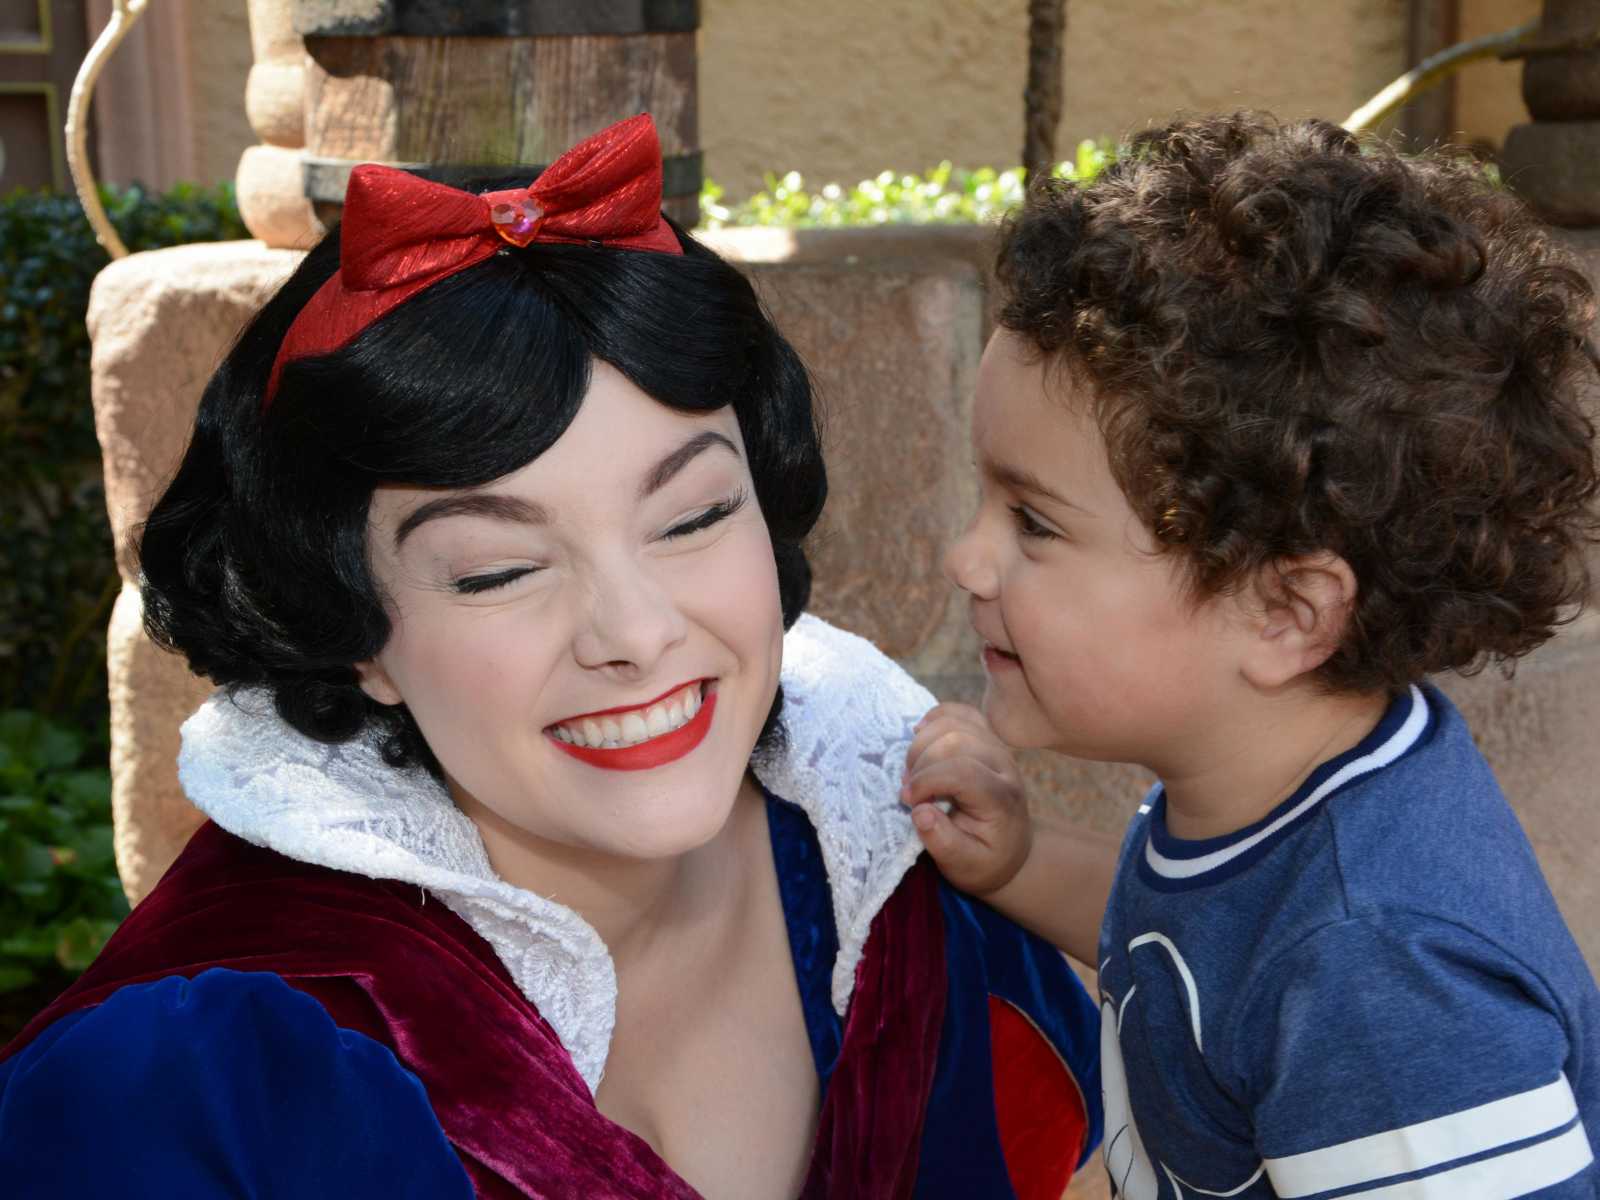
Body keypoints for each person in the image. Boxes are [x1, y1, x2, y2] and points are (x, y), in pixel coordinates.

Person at [0, 115, 1100, 1199]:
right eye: (495, 571)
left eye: (693, 515)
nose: (635, 634)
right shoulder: (193, 1089)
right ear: (352, 631)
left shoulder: (912, 883)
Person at [902, 113, 1600, 1198]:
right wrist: (1023, 865)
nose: (965, 559)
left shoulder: (1377, 973)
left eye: (1033, 523)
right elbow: (1199, 959)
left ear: (1283, 612)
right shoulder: (1273, 793)